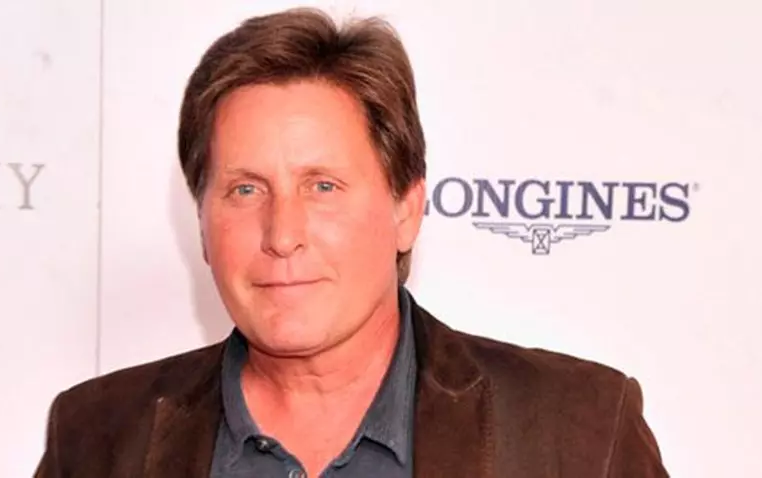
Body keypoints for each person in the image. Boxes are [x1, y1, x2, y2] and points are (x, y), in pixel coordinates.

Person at [34, 7, 668, 478]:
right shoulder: (95, 439)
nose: (282, 235)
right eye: (245, 190)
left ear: (406, 210)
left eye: (323, 186)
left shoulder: (579, 433)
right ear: (201, 223)